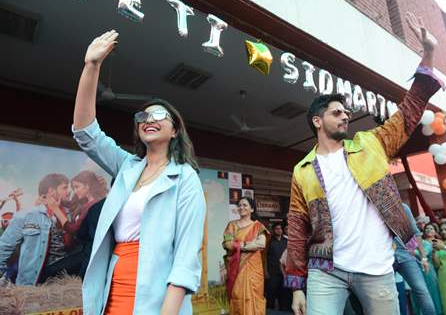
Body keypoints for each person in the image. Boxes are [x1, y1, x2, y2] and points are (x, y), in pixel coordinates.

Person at [284, 12, 444, 315]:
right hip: (326, 270)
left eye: (346, 112)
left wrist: (430, 53)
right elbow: (296, 228)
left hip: (377, 266)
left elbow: (408, 113)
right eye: (336, 113)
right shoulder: (302, 170)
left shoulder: (370, 143)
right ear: (317, 121)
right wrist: (296, 287)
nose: (345, 116)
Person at [73, 30, 206, 315]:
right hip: (113, 288)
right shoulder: (127, 167)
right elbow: (86, 133)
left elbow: (185, 260)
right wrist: (92, 67)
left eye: (159, 115)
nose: (149, 120)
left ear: (175, 130)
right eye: (143, 117)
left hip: (158, 297)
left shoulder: (186, 178)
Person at [0, 174, 71, 285]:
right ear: (51, 190)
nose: (69, 191)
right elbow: (4, 247)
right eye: (65, 187)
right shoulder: (26, 215)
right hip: (33, 283)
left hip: (64, 282)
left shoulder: (70, 215)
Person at [223, 197, 269, 315]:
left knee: (254, 295)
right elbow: (227, 243)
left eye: (245, 205)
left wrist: (238, 245)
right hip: (236, 267)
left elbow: (261, 244)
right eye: (239, 205)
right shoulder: (231, 225)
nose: (241, 207)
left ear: (252, 209)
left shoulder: (258, 226)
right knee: (237, 294)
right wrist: (246, 245)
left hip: (254, 268)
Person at [394, 204, 436, 315]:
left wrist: (424, 258)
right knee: (386, 295)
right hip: (384, 256)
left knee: (422, 291)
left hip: (404, 254)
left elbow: (415, 232)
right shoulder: (370, 206)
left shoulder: (402, 207)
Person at [418, 222, 444, 314]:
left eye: (431, 228)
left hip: (438, 269)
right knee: (426, 292)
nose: (429, 230)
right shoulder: (421, 242)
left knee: (436, 292)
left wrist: (413, 252)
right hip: (425, 269)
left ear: (435, 231)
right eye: (427, 229)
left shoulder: (439, 242)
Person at [266, 222, 289, 311]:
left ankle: (283, 311)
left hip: (284, 273)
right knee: (271, 294)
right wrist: (266, 271)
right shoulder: (269, 241)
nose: (278, 230)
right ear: (273, 230)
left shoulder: (286, 241)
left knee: (284, 295)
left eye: (280, 228)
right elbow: (264, 257)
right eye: (276, 229)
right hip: (272, 273)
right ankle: (270, 311)